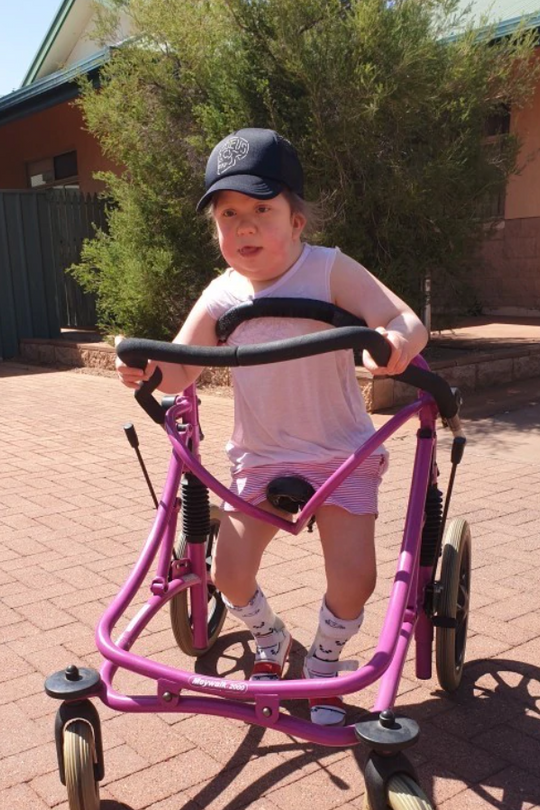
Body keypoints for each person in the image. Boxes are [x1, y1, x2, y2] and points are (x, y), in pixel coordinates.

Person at [116, 127, 427, 725]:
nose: (245, 227)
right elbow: (180, 367)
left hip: (340, 454)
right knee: (228, 570)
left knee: (355, 576)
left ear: (297, 220)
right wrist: (148, 370)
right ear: (215, 230)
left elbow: (402, 317)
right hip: (258, 460)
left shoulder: (328, 270)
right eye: (229, 214)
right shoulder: (219, 296)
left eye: (262, 209)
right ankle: (271, 637)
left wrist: (395, 342)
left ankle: (325, 659)